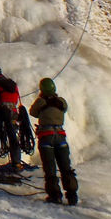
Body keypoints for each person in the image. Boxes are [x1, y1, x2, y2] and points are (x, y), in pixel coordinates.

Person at [29, 77, 78, 205]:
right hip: (60, 136)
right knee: (65, 166)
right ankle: (72, 195)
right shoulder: (61, 101)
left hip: (46, 137)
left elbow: (33, 112)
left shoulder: (41, 101)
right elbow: (64, 108)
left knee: (50, 167)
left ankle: (55, 195)